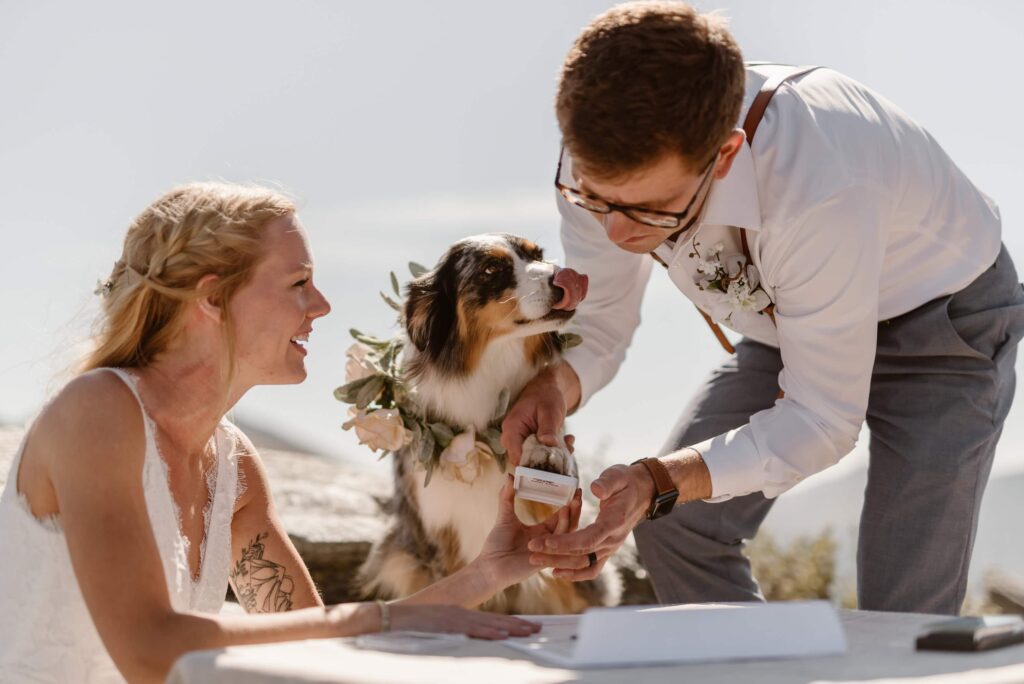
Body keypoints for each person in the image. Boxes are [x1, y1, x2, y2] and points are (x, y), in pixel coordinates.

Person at [501, 0, 1024, 615]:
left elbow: (823, 419)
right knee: (675, 526)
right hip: (788, 324)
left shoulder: (821, 182)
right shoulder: (594, 164)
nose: (617, 234)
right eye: (596, 198)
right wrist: (555, 386)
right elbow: (606, 315)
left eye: (651, 211)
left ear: (724, 155)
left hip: (944, 322)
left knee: (900, 606)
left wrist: (659, 479)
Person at [0, 182, 583, 683]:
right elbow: (151, 652)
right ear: (212, 298)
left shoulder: (232, 466)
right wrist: (372, 618)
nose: (323, 305)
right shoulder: (96, 413)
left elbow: (311, 645)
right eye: (298, 282)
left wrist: (493, 568)